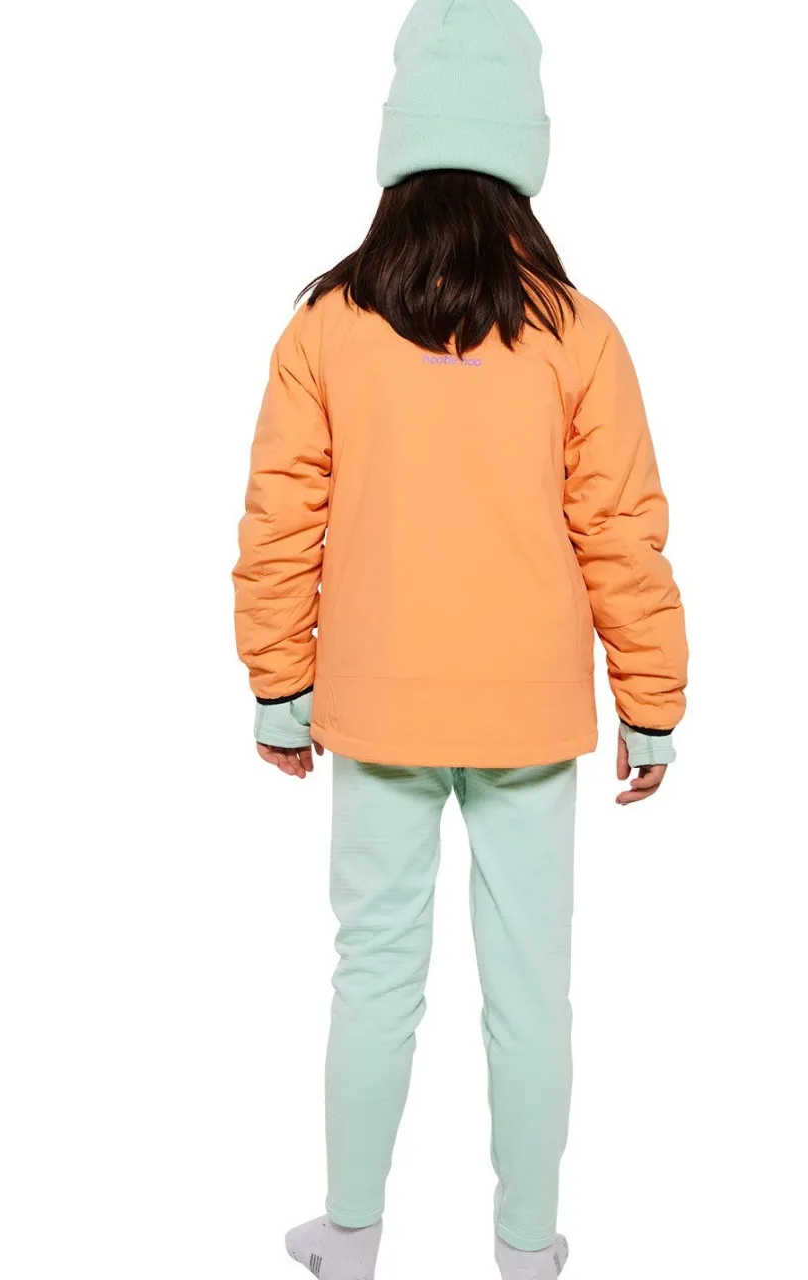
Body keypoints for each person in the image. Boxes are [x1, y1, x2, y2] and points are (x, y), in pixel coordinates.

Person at [232, 1, 687, 1275]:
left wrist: (277, 685)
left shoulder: (326, 324)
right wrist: (650, 702)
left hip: (374, 706)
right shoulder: (576, 332)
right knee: (529, 986)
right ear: (524, 148)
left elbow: (280, 515)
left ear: (399, 142)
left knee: (372, 974)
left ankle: (350, 1234)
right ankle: (527, 1248)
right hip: (526, 713)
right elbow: (621, 530)